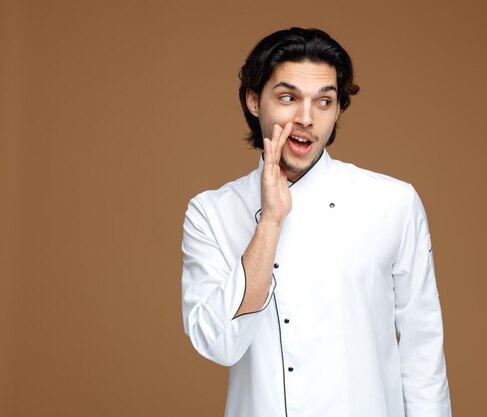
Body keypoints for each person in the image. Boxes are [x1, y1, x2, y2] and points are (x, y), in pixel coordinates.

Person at [181, 27, 451, 417]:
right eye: (288, 98)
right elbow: (219, 345)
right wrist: (270, 220)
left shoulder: (393, 202)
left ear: (338, 108)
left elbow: (422, 352)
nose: (306, 119)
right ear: (254, 100)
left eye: (323, 101)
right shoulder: (211, 212)